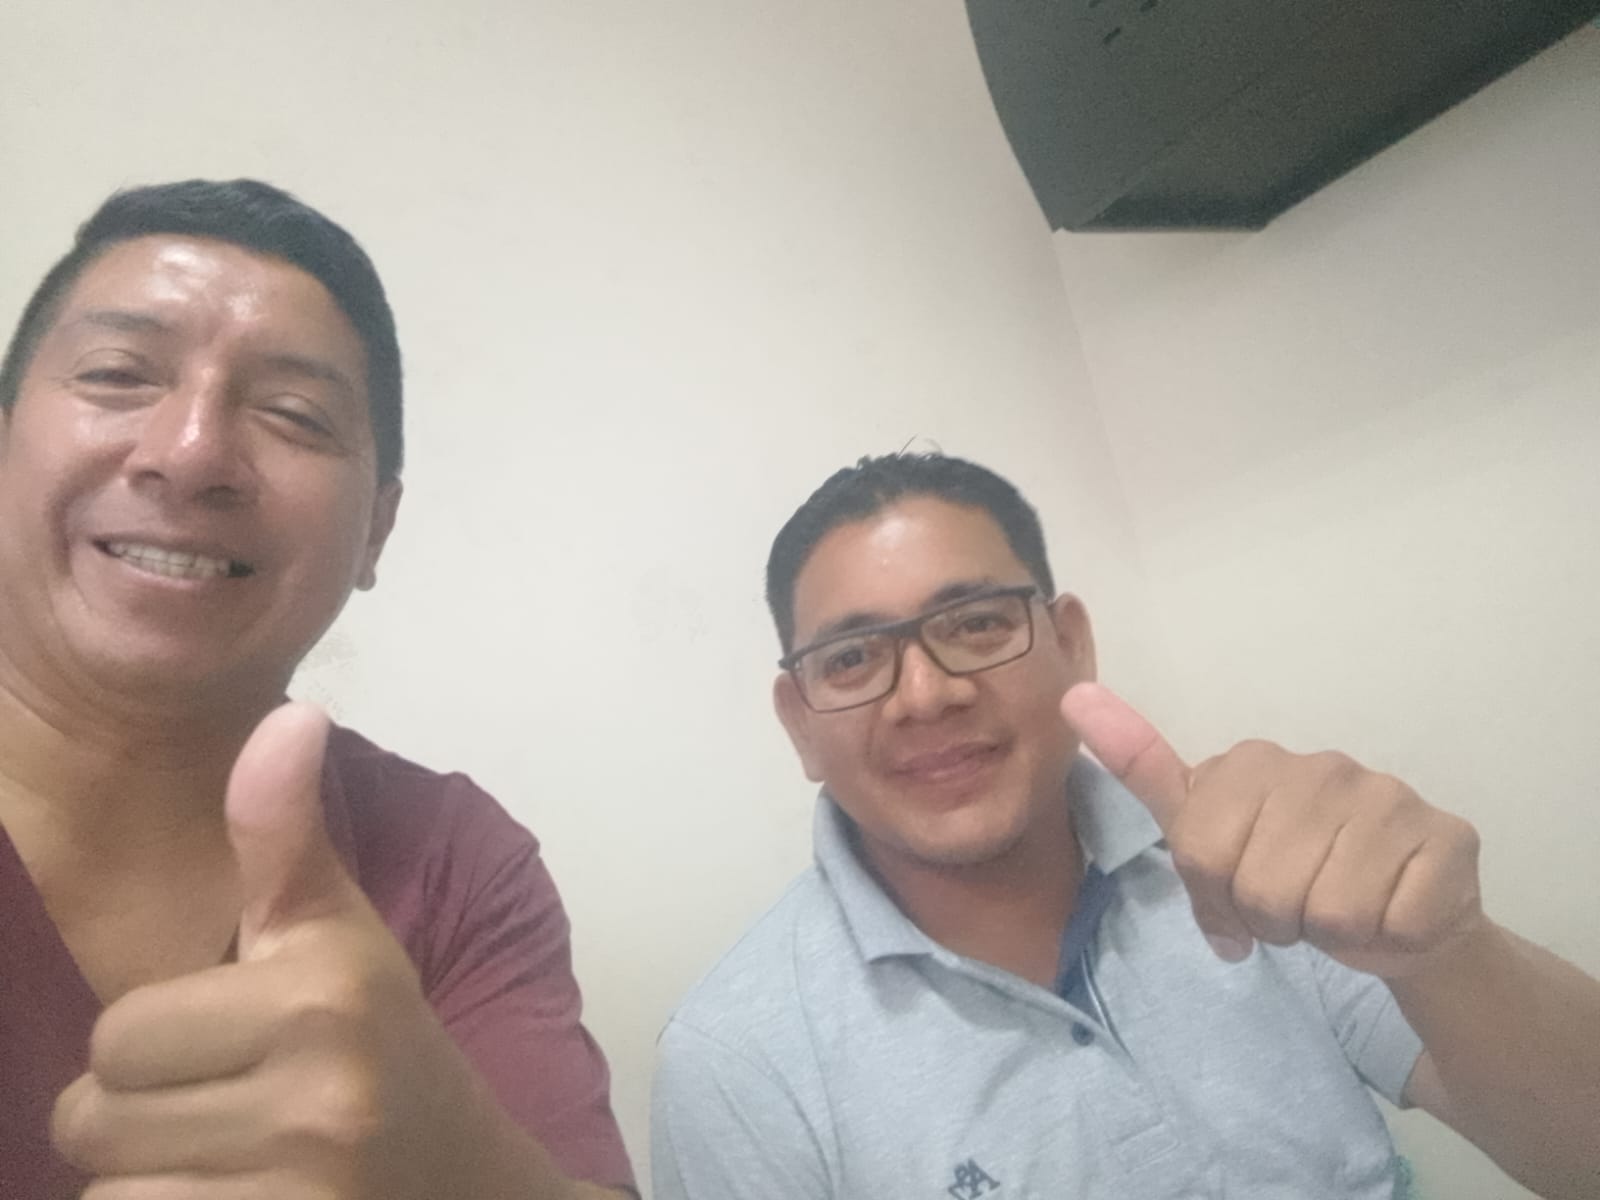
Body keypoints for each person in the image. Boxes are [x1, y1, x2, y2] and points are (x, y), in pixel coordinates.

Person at [652, 451, 1600, 1199]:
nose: (927, 694)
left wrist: (1448, 951)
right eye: (852, 658)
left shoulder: (1253, 865)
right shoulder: (736, 1060)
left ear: (1071, 643)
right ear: (800, 722)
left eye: (976, 623)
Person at [0, 180, 633, 1199]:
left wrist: (460, 1167)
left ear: (376, 531)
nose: (190, 453)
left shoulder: (452, 865)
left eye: (293, 415)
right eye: (118, 375)